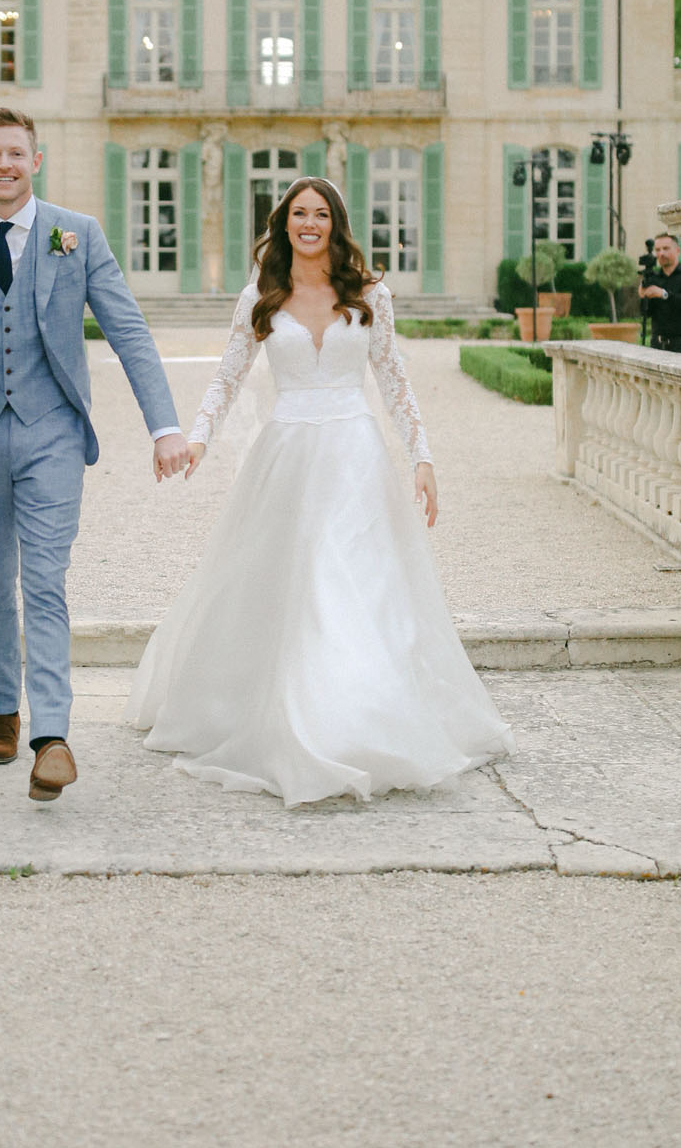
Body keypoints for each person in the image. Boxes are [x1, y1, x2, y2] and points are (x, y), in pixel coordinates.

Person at [126, 176, 513, 805]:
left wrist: (422, 457)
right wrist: (197, 439)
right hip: (287, 453)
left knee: (354, 582)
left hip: (354, 453)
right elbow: (228, 376)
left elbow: (393, 379)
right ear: (284, 223)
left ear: (336, 222)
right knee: (288, 583)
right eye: (299, 213)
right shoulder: (262, 295)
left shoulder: (369, 295)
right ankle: (285, 714)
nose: (310, 223)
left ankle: (359, 715)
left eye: (321, 214)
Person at [0, 106, 187, 801]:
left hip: (52, 431)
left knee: (45, 580)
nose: (4, 165)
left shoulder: (76, 235)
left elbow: (129, 332)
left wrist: (164, 426)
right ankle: (3, 707)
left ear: (36, 160)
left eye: (15, 153)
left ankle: (51, 735)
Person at [638, 231, 681, 354]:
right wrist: (643, 295)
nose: (661, 253)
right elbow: (646, 313)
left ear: (677, 251)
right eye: (658, 250)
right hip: (657, 344)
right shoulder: (654, 279)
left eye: (666, 248)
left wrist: (663, 294)